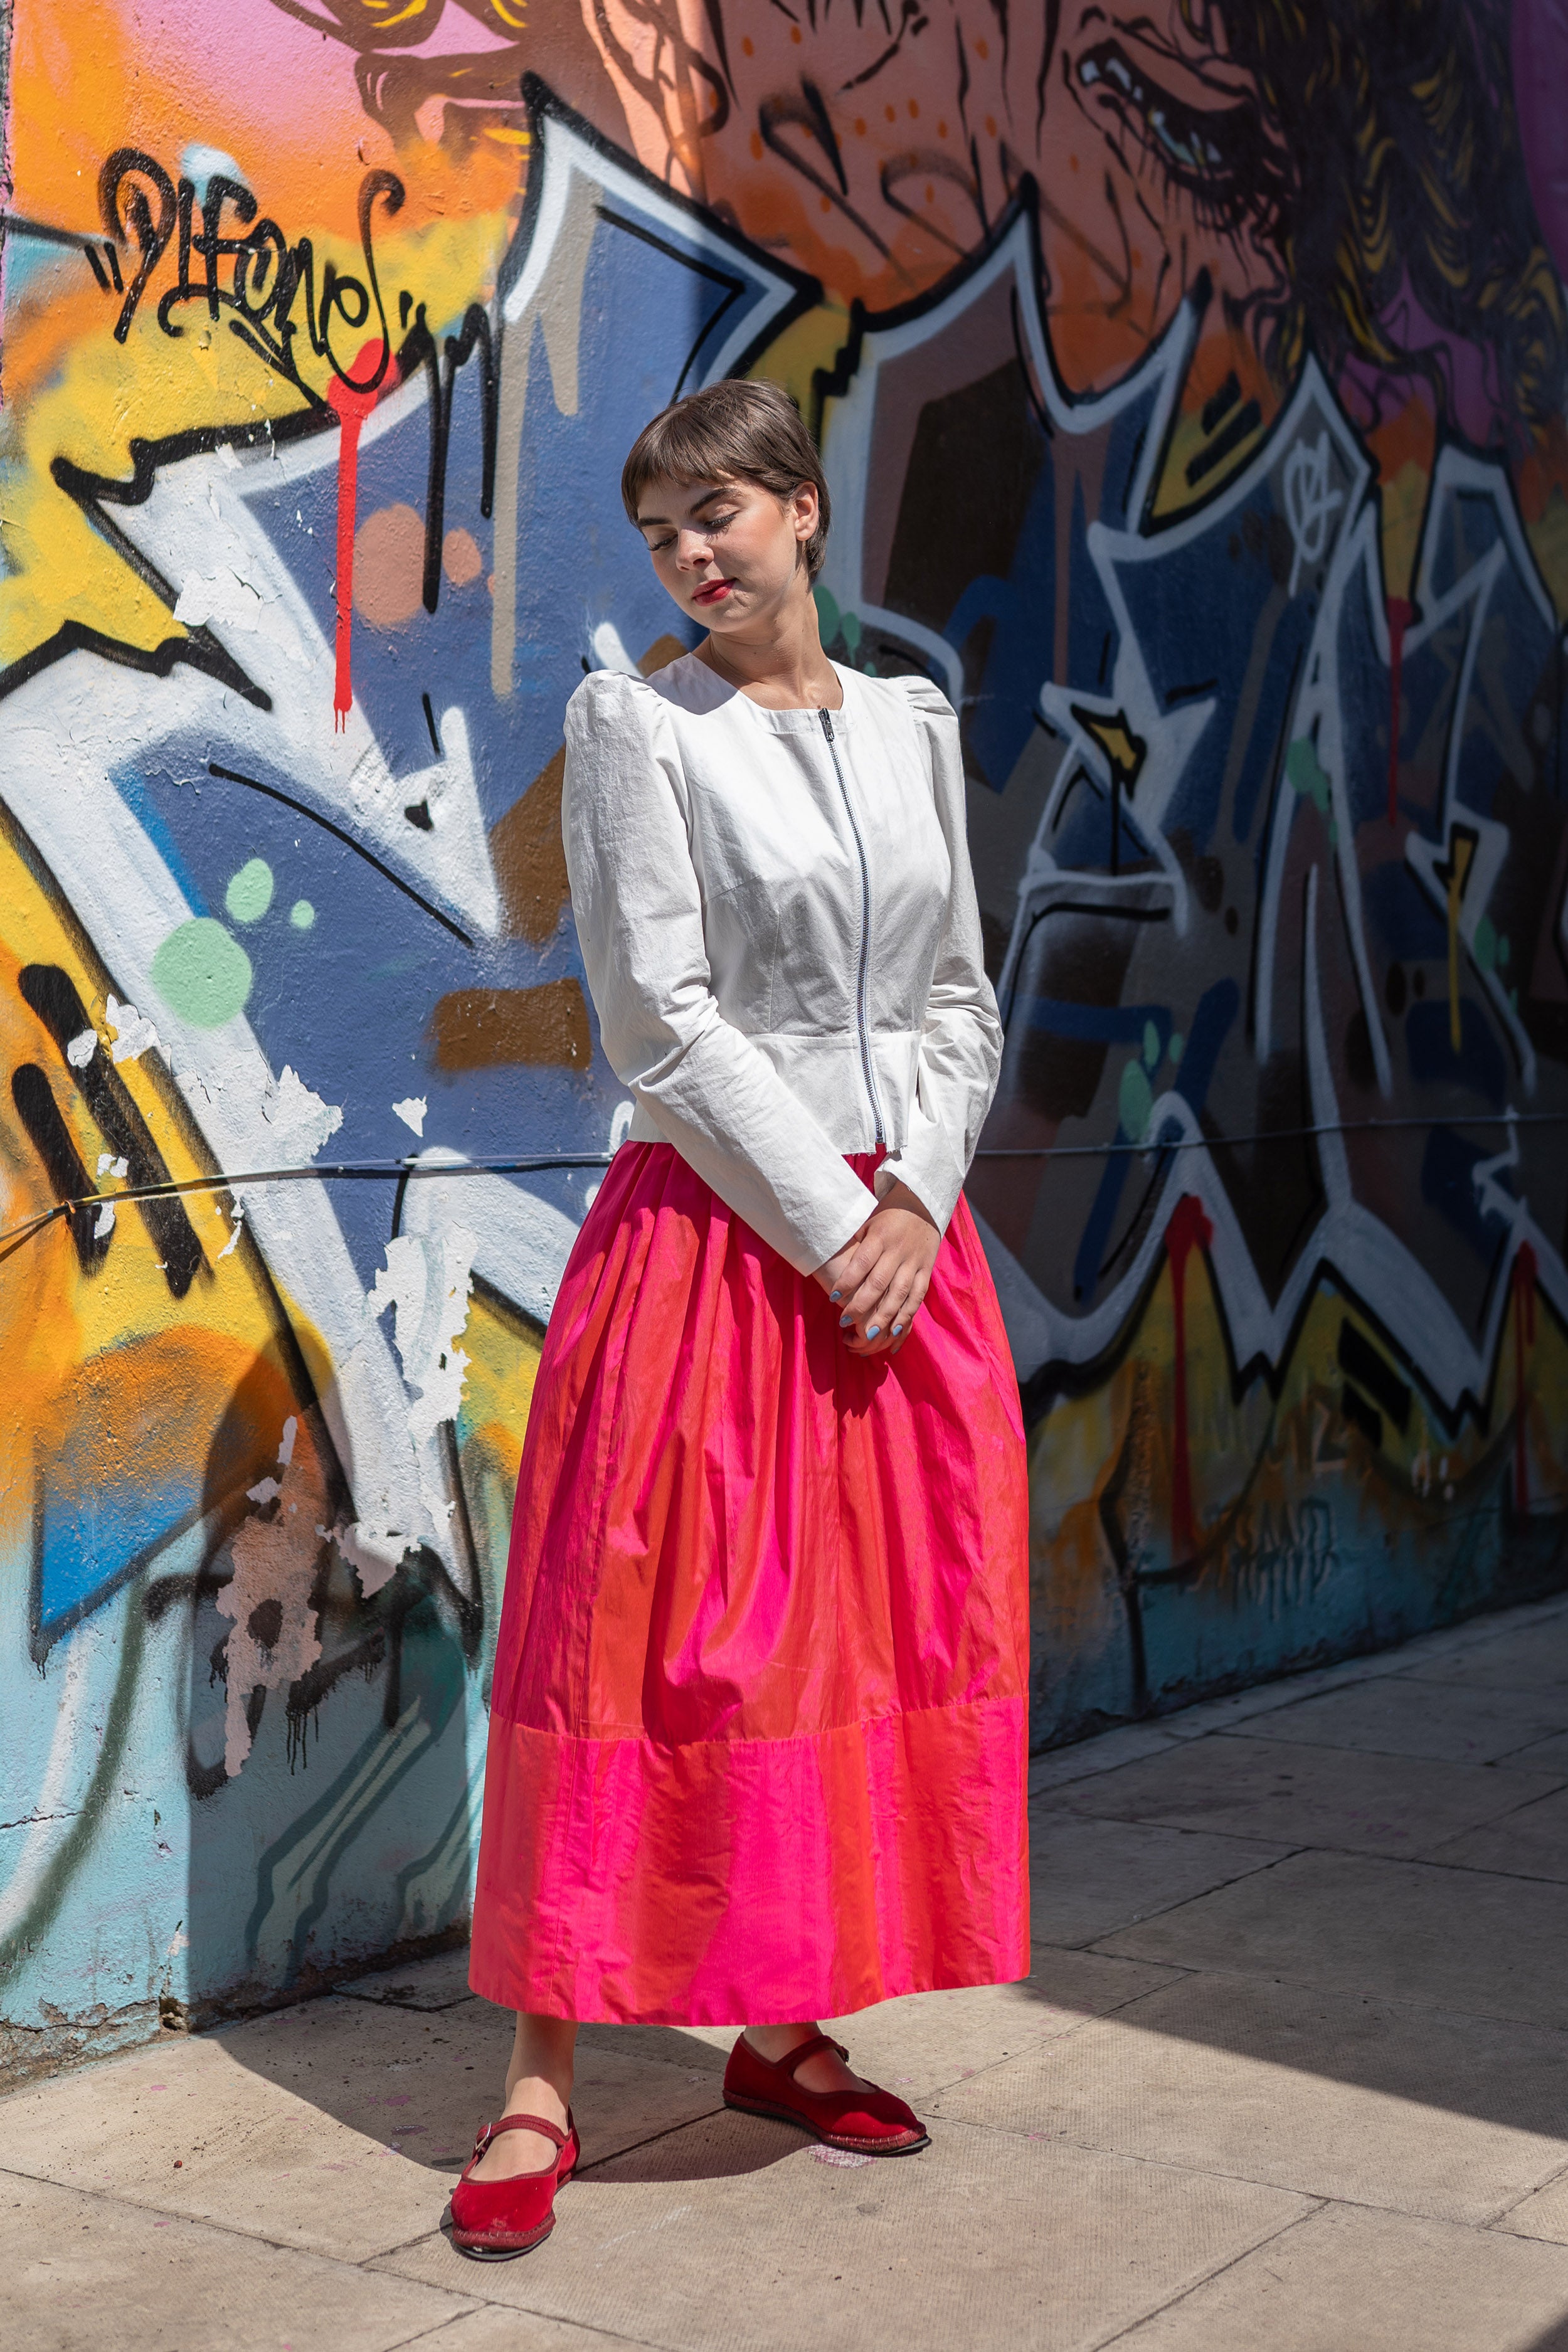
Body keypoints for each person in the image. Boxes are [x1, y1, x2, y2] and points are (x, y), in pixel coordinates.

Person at [450, 378, 1030, 2260]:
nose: (692, 554)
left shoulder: (911, 727)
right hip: (715, 1244)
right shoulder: (639, 727)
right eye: (660, 531)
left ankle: (777, 2033)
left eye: (719, 514)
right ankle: (539, 2088)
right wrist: (830, 1213)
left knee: (846, 1648)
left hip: (889, 1251)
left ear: (799, 512)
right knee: (628, 1651)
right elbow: (658, 1022)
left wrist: (912, 1203)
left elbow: (957, 1000)